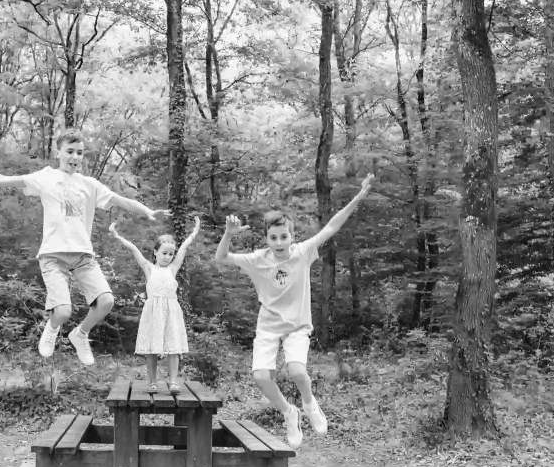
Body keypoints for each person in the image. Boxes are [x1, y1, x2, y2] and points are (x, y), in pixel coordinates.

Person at [0, 129, 168, 366]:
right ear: (59, 152)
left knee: (107, 301)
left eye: (80, 153)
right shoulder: (46, 177)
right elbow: (2, 179)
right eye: (70, 151)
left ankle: (80, 335)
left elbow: (122, 200)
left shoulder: (90, 184)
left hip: (83, 256)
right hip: (52, 255)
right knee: (63, 312)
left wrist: (147, 210)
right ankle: (52, 328)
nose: (75, 157)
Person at [215, 175, 374, 448]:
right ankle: (290, 412)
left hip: (298, 326)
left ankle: (310, 405)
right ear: (266, 238)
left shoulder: (302, 252)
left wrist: (357, 198)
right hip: (268, 326)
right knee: (260, 377)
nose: (279, 242)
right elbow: (221, 258)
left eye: (284, 237)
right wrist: (229, 234)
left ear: (292, 236)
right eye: (273, 238)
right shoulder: (257, 260)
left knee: (297, 371)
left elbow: (332, 226)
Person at [109, 216, 200, 393]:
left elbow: (184, 247)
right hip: (152, 312)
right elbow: (133, 249)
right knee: (151, 348)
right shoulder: (149, 268)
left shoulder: (172, 269)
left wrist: (195, 231)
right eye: (164, 253)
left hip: (171, 311)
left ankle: (173, 381)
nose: (167, 257)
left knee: (173, 347)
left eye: (170, 254)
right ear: (155, 252)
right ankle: (152, 381)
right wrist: (116, 235)